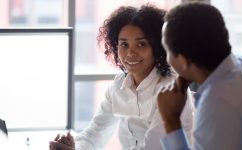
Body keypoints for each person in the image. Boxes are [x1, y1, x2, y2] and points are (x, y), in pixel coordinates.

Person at [49, 4, 194, 150]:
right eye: (124, 44)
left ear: (156, 47)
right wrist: (74, 147)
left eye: (141, 44)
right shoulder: (119, 84)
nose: (130, 53)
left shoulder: (171, 89)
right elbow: (94, 134)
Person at [157, 2, 242, 150]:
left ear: (183, 60)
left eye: (167, 50)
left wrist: (171, 120)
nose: (166, 58)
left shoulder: (218, 103)